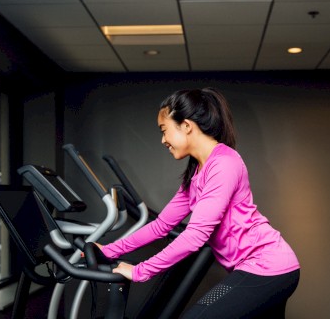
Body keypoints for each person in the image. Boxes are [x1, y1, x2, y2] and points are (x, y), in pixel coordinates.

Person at [98, 87, 300, 318]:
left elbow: (196, 236)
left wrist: (141, 271)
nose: (163, 140)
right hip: (260, 269)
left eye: (164, 130)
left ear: (186, 126)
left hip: (267, 266)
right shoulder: (197, 172)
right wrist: (109, 251)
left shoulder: (224, 163)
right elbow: (161, 225)